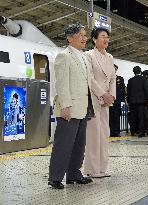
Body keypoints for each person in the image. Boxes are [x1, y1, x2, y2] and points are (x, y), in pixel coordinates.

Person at [48, 23, 93, 189]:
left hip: (82, 108)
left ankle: (74, 174)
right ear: (70, 37)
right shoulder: (64, 56)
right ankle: (55, 178)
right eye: (81, 35)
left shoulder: (83, 56)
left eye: (85, 35)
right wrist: (65, 105)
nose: (84, 38)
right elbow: (61, 83)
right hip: (69, 108)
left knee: (79, 145)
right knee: (63, 145)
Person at [84, 27, 116, 178]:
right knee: (93, 135)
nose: (106, 39)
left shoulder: (109, 57)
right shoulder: (88, 55)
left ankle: (103, 168)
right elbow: (90, 78)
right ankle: (91, 169)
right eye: (103, 36)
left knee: (104, 134)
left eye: (107, 37)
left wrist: (111, 96)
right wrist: (103, 94)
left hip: (106, 101)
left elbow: (113, 78)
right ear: (94, 40)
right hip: (94, 99)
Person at [127, 66, 148, 137]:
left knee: (133, 117)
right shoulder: (144, 79)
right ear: (140, 71)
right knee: (141, 117)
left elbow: (128, 91)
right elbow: (146, 89)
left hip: (132, 102)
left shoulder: (130, 80)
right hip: (141, 102)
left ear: (134, 72)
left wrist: (128, 101)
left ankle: (133, 132)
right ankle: (141, 132)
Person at [109, 64, 125, 137]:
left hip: (117, 101)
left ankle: (117, 132)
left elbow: (123, 90)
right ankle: (112, 132)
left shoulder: (120, 79)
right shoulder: (107, 78)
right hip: (109, 101)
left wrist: (123, 100)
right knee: (110, 118)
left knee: (117, 117)